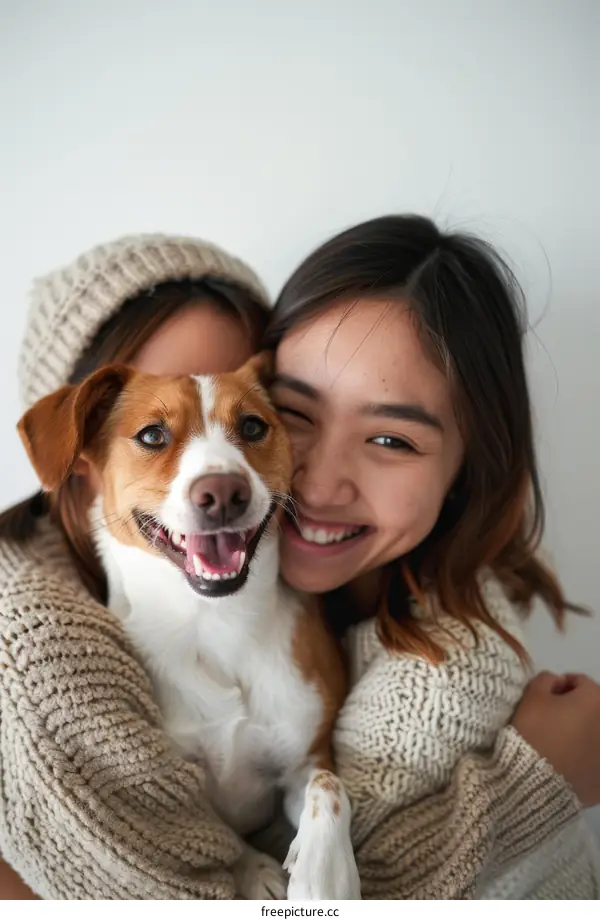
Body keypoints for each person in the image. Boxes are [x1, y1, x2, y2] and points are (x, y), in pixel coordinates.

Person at [0, 228, 599, 900]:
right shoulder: (36, 666)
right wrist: (534, 788)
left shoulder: (442, 666)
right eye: (154, 433)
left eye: (257, 420)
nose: (220, 476)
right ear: (78, 456)